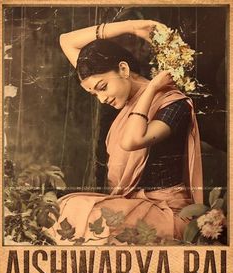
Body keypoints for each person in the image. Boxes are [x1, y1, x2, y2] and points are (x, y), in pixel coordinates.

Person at [47, 20, 203, 245]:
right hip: (133, 204)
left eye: (102, 88)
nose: (102, 99)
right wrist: (132, 27)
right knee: (66, 209)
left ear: (123, 69)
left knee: (89, 219)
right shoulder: (126, 97)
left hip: (168, 212)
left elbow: (133, 140)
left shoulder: (174, 104)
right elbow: (66, 41)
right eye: (94, 94)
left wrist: (151, 88)